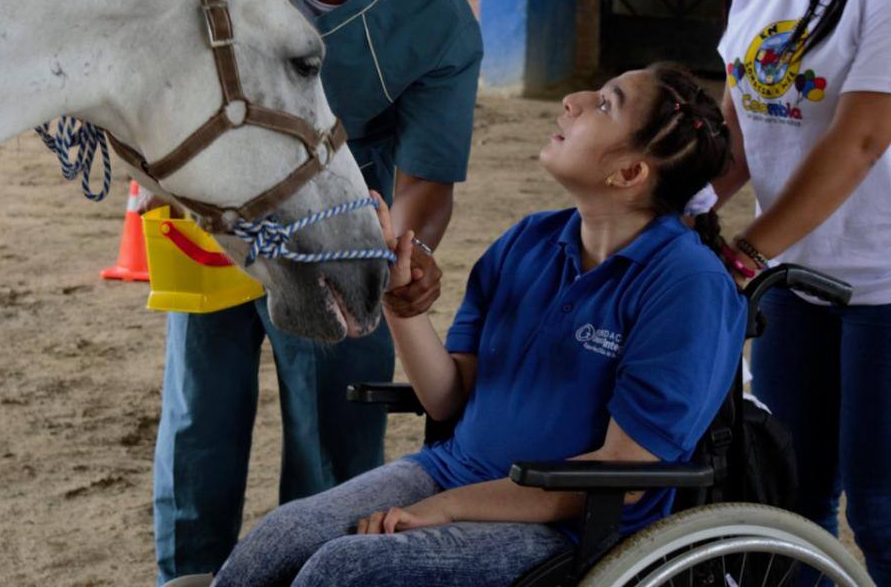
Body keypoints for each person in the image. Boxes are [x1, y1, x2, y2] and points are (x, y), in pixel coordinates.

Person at [209, 64, 747, 587]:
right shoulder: (528, 241)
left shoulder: (687, 286)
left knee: (347, 570)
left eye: (605, 104)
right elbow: (448, 400)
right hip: (451, 467)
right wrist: (402, 305)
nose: (573, 101)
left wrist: (447, 511)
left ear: (629, 174)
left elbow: (621, 478)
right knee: (280, 537)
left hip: (575, 527)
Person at [152, 0, 483, 583]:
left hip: (340, 227)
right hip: (213, 208)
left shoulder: (441, 29)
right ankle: (190, 577)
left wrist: (402, 250)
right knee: (201, 415)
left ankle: (306, 577)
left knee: (334, 435)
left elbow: (426, 181)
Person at [711, 0, 891, 580]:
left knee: (883, 509)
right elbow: (737, 137)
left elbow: (860, 139)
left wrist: (745, 251)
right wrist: (669, 212)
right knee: (787, 504)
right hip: (790, 282)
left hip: (885, 287)